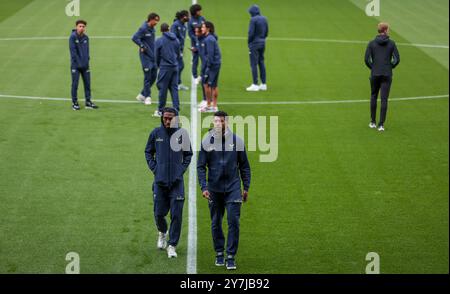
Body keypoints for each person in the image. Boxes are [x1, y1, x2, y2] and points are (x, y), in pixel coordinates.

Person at [197, 111, 251, 270]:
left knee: (233, 221)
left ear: (227, 122)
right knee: (215, 223)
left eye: (221, 121)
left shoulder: (237, 141)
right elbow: (201, 166)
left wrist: (246, 187)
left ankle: (230, 256)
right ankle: (219, 252)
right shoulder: (207, 140)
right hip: (214, 189)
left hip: (233, 188)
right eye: (216, 121)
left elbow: (244, 166)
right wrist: (204, 186)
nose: (218, 124)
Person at [145, 107, 193, 258]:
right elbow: (148, 152)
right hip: (160, 182)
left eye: (170, 118)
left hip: (177, 183)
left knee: (177, 215)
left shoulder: (182, 134)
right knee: (159, 214)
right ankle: (162, 232)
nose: (167, 120)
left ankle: (172, 245)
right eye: (165, 118)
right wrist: (155, 168)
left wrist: (181, 170)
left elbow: (188, 154)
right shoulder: (155, 133)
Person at [365, 22, 400, 132]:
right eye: (388, 29)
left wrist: (373, 67)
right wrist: (390, 67)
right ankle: (381, 125)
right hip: (386, 74)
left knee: (373, 96)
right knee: (384, 99)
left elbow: (366, 59)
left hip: (375, 73)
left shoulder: (371, 43)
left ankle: (372, 122)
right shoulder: (392, 43)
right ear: (385, 30)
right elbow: (397, 59)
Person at [69, 20, 98, 110]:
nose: (82, 28)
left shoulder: (86, 38)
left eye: (83, 26)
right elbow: (73, 53)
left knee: (87, 84)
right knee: (75, 84)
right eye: (80, 26)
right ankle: (74, 103)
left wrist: (87, 61)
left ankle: (88, 102)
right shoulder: (72, 37)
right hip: (76, 66)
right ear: (76, 27)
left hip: (85, 65)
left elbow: (87, 51)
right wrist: (80, 63)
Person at [132, 13, 160, 105]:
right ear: (150, 19)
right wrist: (142, 45)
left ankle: (142, 94)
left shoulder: (152, 29)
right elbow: (134, 38)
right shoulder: (143, 28)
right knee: (147, 77)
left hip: (153, 56)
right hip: (145, 57)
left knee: (154, 76)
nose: (156, 22)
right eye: (155, 20)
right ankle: (148, 97)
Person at [154, 23, 181, 117]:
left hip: (165, 68)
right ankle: (176, 109)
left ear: (161, 30)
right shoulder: (176, 39)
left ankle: (161, 110)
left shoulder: (159, 40)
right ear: (169, 29)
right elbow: (178, 53)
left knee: (163, 89)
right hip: (175, 67)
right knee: (174, 89)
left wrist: (158, 66)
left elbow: (156, 55)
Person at [246, 4, 268, 92]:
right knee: (261, 62)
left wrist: (249, 43)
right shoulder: (264, 18)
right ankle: (263, 84)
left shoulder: (253, 19)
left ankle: (255, 84)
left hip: (254, 44)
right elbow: (266, 31)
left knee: (253, 64)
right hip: (263, 42)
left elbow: (250, 33)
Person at [200, 21, 221, 113]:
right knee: (214, 85)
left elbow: (210, 54)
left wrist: (208, 66)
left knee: (207, 84)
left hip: (212, 65)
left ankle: (209, 105)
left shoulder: (209, 39)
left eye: (203, 27)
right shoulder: (211, 38)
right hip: (216, 64)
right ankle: (214, 106)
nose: (201, 28)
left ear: (208, 28)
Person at [171, 10, 190, 91]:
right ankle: (175, 83)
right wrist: (177, 49)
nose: (189, 17)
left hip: (179, 49)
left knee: (180, 66)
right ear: (183, 17)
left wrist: (181, 49)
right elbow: (173, 38)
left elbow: (182, 39)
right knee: (178, 66)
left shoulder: (184, 26)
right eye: (187, 16)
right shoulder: (175, 25)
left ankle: (178, 83)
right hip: (174, 49)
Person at [188, 4, 206, 85]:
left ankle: (202, 76)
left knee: (204, 60)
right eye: (199, 10)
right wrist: (196, 39)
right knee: (195, 61)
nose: (201, 11)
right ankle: (195, 77)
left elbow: (205, 29)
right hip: (195, 44)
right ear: (196, 12)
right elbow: (190, 33)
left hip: (203, 44)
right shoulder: (190, 21)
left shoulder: (202, 19)